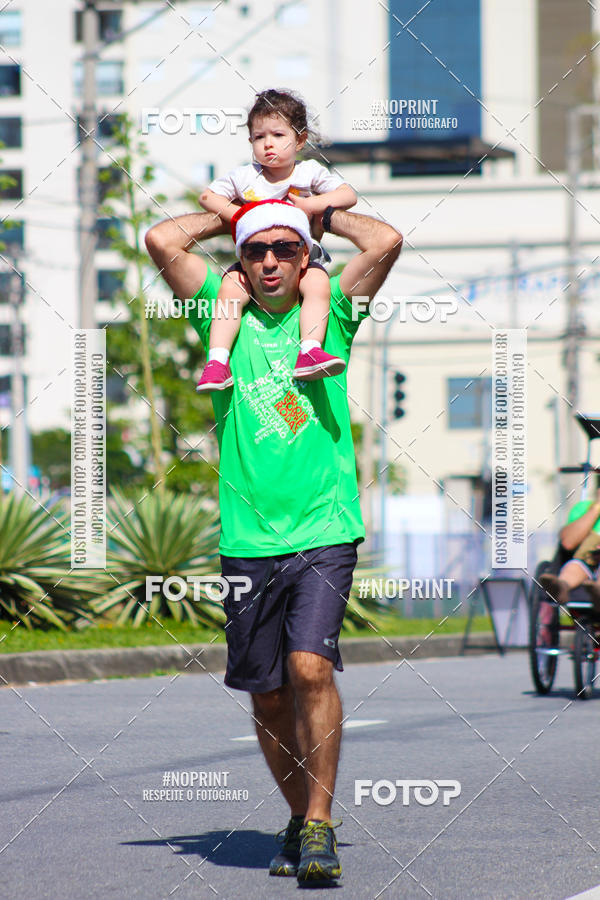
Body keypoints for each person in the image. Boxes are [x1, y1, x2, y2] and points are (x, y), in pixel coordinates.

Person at [146, 199, 402, 884]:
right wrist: (238, 213)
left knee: (310, 668)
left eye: (285, 250)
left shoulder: (333, 314)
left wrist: (310, 214)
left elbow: (385, 239)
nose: (269, 262)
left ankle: (319, 824)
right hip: (247, 538)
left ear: (303, 258)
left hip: (324, 530)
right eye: (256, 250)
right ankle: (297, 816)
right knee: (266, 695)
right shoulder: (218, 313)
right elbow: (161, 237)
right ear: (240, 259)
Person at [196, 88, 357, 391]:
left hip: (302, 260)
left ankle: (309, 350)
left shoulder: (308, 172)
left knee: (318, 285)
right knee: (230, 290)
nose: (268, 143)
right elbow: (207, 196)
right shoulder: (245, 177)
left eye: (278, 135)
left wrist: (311, 205)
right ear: (250, 143)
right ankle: (217, 362)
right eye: (259, 137)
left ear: (300, 139)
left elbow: (349, 195)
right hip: (254, 260)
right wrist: (242, 216)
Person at [539, 486, 600, 608]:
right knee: (575, 565)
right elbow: (568, 543)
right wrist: (596, 509)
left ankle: (598, 592)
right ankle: (561, 586)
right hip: (587, 560)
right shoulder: (583, 508)